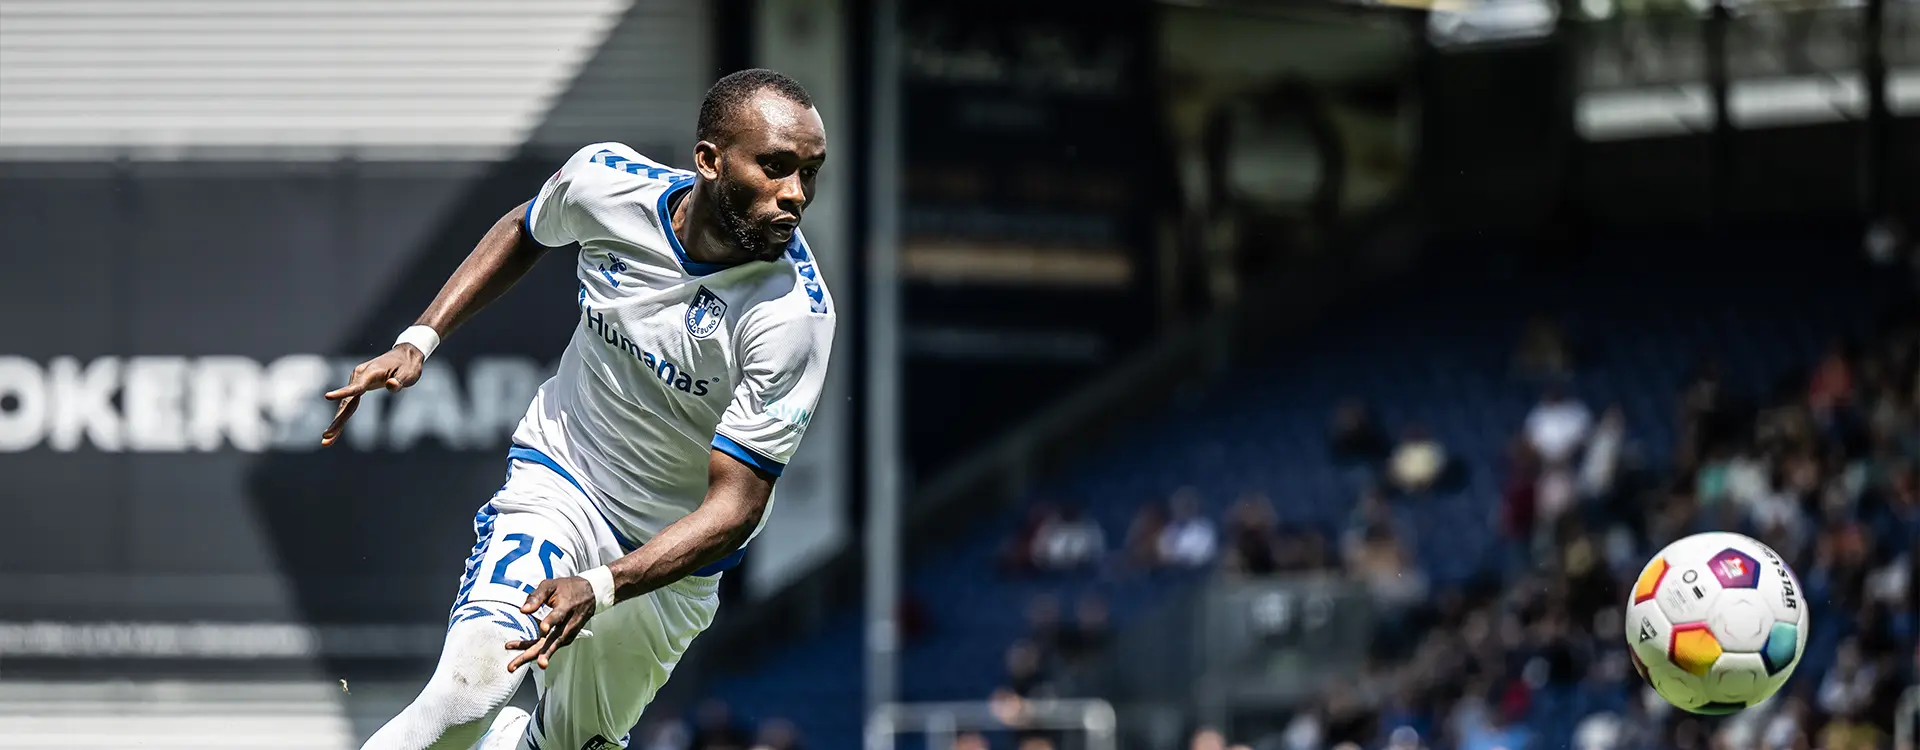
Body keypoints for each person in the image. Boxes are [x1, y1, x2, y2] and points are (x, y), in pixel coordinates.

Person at [329, 69, 835, 750]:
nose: (795, 195)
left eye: (809, 172)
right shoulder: (606, 183)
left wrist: (600, 585)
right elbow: (525, 228)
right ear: (709, 160)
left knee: (567, 744)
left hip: (670, 561)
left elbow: (736, 508)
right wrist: (420, 338)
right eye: (775, 167)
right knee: (466, 693)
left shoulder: (792, 316)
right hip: (563, 478)